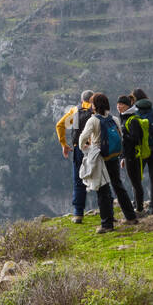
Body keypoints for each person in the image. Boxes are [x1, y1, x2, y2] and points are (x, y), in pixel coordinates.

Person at [78, 92, 139, 234]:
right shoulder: (115, 119)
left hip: (100, 158)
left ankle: (107, 224)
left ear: (95, 105)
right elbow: (120, 137)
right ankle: (131, 217)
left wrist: (86, 147)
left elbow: (82, 139)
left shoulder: (93, 120)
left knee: (103, 190)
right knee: (118, 186)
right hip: (113, 157)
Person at [124, 88, 153, 216]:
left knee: (137, 178)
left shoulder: (134, 113)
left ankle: (138, 204)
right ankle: (152, 207)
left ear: (134, 99)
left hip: (141, 150)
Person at [56, 90, 96, 224]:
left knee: (79, 180)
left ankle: (78, 213)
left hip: (79, 149)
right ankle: (107, 211)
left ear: (82, 100)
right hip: (95, 149)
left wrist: (64, 144)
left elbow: (60, 125)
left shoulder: (75, 111)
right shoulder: (96, 110)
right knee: (101, 178)